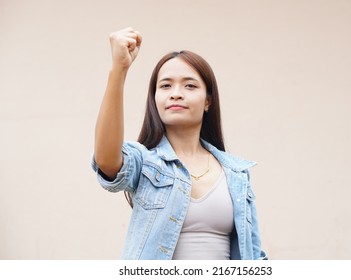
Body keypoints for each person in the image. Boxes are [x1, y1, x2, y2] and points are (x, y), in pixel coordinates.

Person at [92, 26, 267, 260]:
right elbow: (106, 160)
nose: (176, 93)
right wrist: (119, 70)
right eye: (165, 86)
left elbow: (253, 256)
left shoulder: (237, 173)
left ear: (208, 101)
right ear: (155, 99)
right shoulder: (146, 162)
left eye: (190, 85)